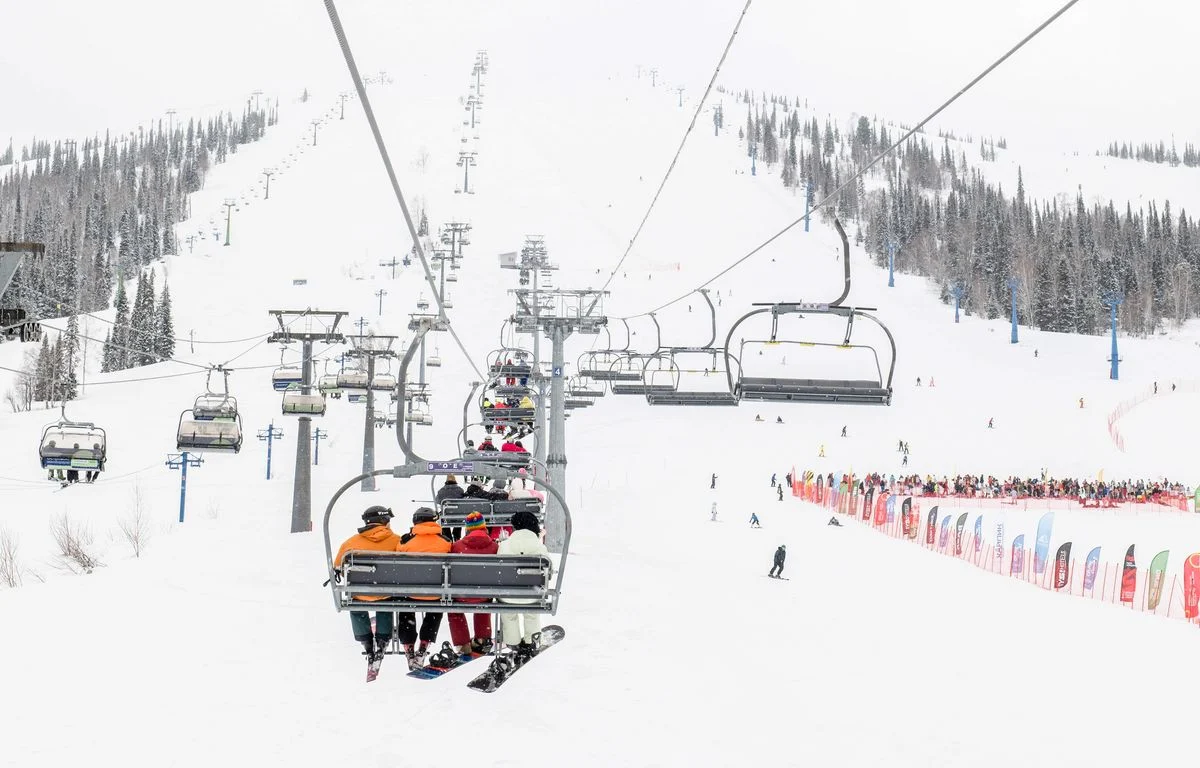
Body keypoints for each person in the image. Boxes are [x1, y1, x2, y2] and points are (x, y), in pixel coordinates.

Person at [334, 506, 401, 663]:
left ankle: (366, 642)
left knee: (356, 605)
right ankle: (383, 640)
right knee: (385, 604)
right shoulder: (397, 541)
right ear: (384, 522)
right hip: (386, 592)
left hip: (359, 592)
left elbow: (338, 567)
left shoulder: (350, 543)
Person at [396, 507, 452, 669]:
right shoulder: (446, 541)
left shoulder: (405, 542)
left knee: (405, 609)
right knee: (435, 608)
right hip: (436, 591)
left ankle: (408, 645)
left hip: (410, 592)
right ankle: (424, 643)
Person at [497, 510, 550, 661]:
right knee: (531, 613)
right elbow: (548, 571)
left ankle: (513, 642)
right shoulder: (539, 547)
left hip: (508, 596)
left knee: (509, 614)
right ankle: (531, 640)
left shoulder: (505, 546)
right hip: (532, 595)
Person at [447, 511, 499, 655]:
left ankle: (463, 644)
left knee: (453, 609)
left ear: (467, 529)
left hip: (461, 594)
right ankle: (482, 638)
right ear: (484, 527)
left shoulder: (456, 547)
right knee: (484, 601)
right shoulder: (494, 547)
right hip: (484, 595)